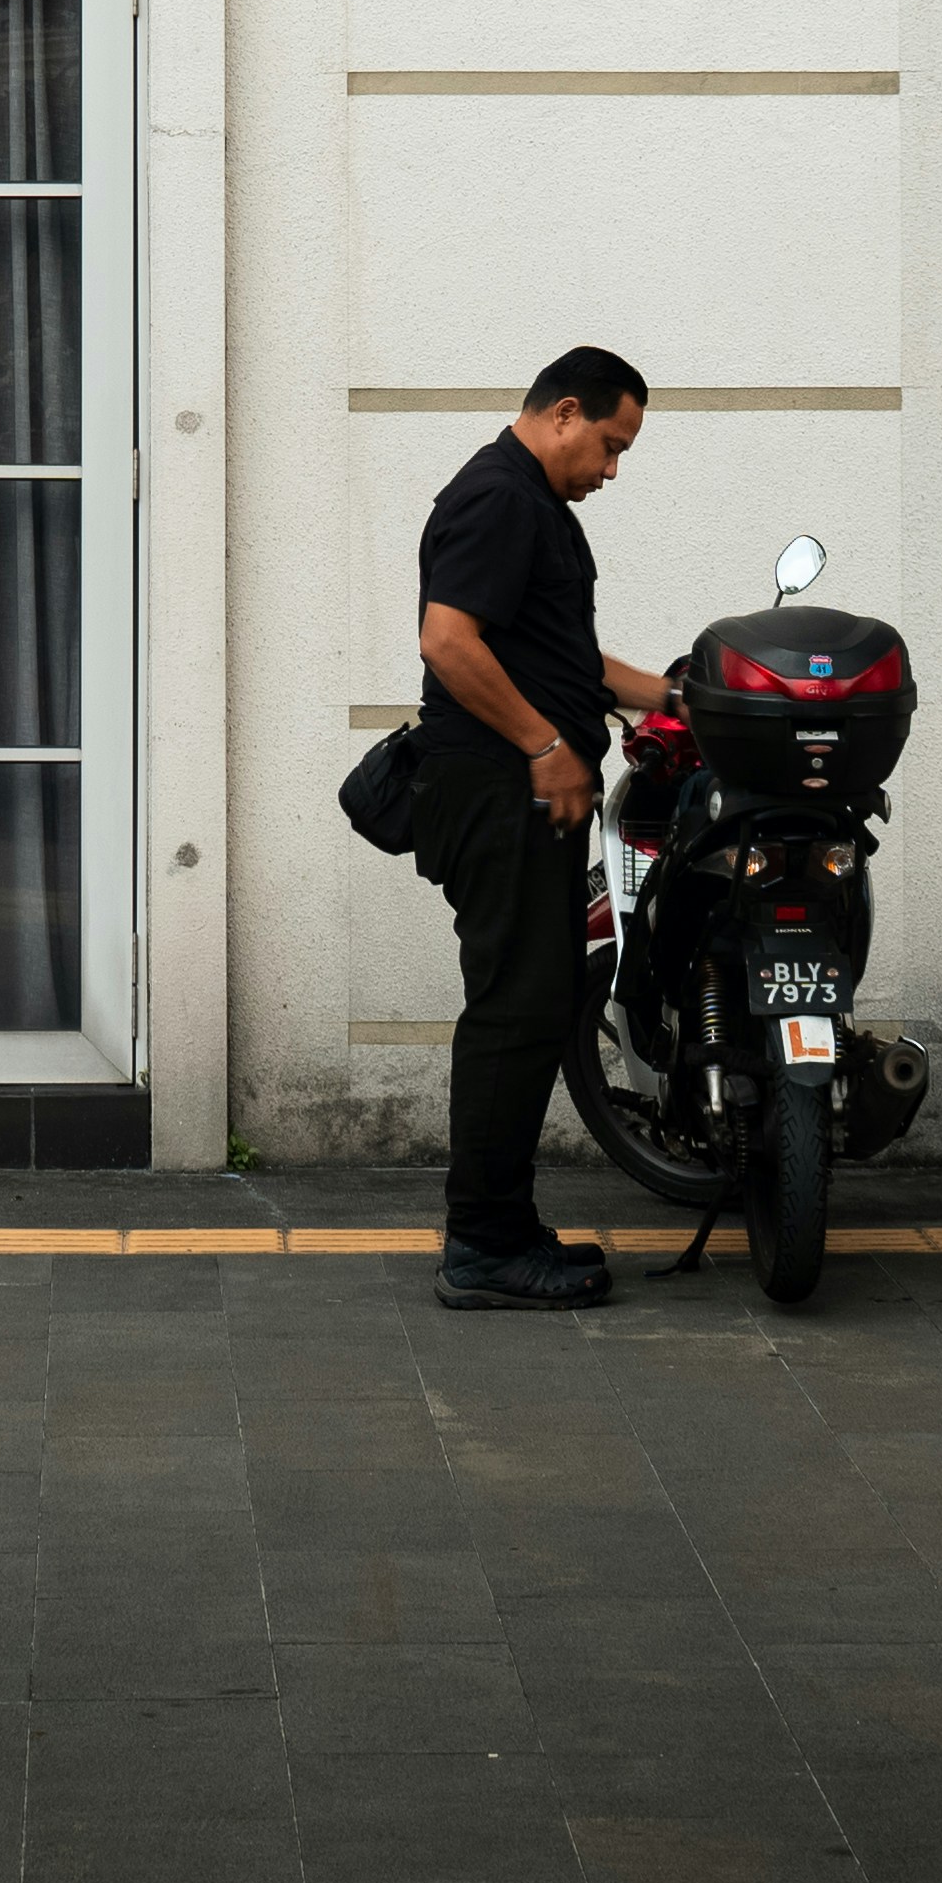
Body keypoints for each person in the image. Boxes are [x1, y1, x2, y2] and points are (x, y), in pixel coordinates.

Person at [404, 347, 672, 1313]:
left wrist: (679, 693)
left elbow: (565, 655)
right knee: (515, 1010)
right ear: (564, 411)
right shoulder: (498, 497)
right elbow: (447, 639)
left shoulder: (531, 504)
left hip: (521, 794)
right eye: (608, 445)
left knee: (538, 1005)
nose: (610, 469)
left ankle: (503, 1224)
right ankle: (479, 1245)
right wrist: (543, 745)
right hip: (498, 791)